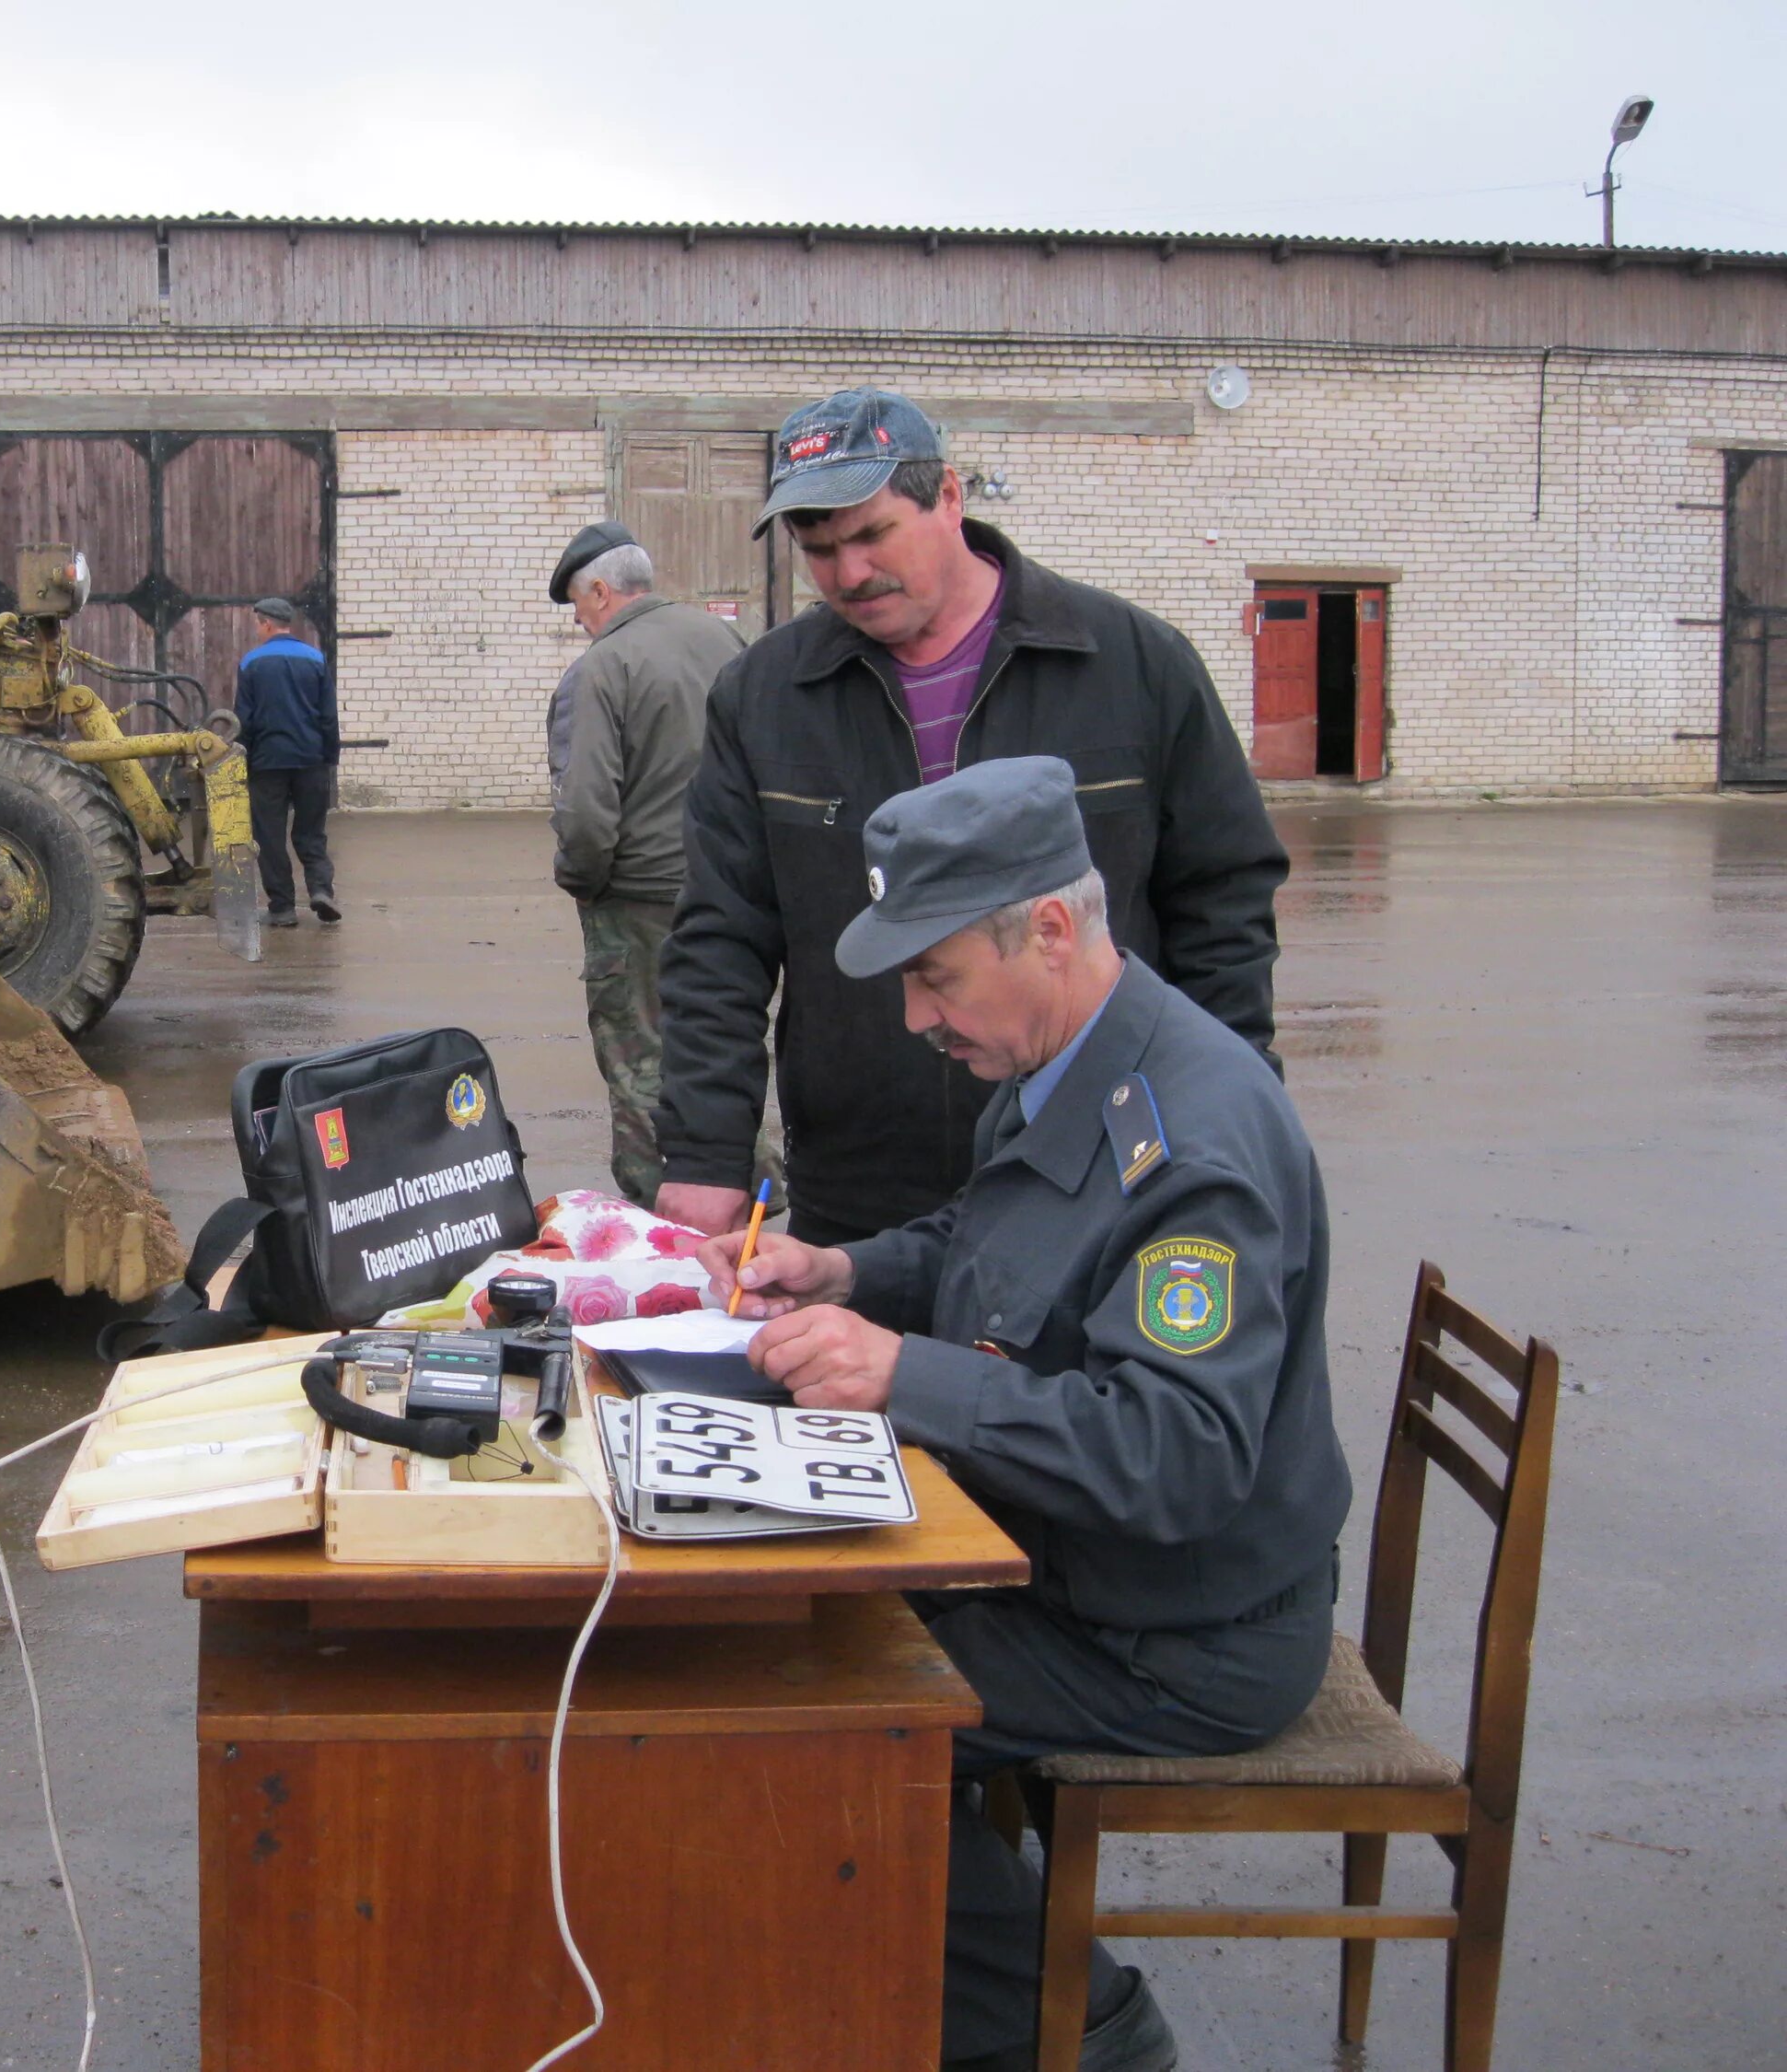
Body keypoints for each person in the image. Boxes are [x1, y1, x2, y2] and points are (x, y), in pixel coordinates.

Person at [702, 757, 1349, 2072]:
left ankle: (1079, 2025)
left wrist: (907, 1375)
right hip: (1073, 1570)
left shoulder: (1194, 1144)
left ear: (1047, 929)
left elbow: (1176, 1459)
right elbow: (986, 1238)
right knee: (775, 1628)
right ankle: (881, 1964)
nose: (913, 1015)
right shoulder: (1075, 1060)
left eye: (935, 975)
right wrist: (844, 1269)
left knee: (809, 1713)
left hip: (1174, 1631)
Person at [652, 386, 1289, 1249]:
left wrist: (1231, 1106)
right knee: (853, 1378)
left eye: (873, 534)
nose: (848, 574)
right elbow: (719, 940)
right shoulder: (764, 697)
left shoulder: (1132, 667)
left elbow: (1224, 909)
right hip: (865, 1175)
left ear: (949, 498)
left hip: (1099, 1153)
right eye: (819, 547)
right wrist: (704, 1151)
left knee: (1078, 1387)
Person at [543, 522, 744, 1203]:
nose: (578, 621)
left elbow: (587, 809)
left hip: (638, 900)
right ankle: (743, 1188)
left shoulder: (603, 666)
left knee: (638, 1057)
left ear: (601, 590)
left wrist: (582, 881)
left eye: (578, 604)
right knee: (720, 1041)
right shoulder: (724, 642)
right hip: (728, 887)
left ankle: (658, 1210)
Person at [235, 597, 340, 926]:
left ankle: (282, 908)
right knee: (311, 832)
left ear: (266, 624)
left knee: (270, 836)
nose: (257, 630)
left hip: (268, 763)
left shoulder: (251, 663)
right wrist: (329, 757)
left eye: (257, 624)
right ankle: (321, 890)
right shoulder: (315, 659)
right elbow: (328, 717)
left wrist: (242, 759)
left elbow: (244, 721)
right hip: (311, 760)